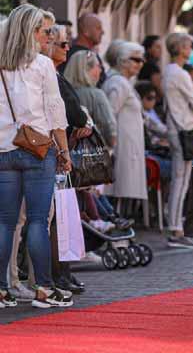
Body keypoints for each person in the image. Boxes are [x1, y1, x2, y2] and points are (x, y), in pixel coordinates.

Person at [0, 4, 73, 309]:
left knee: (5, 223)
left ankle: (2, 290)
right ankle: (43, 288)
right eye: (45, 31)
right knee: (38, 221)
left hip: (4, 151)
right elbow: (55, 113)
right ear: (30, 31)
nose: (49, 36)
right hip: (38, 150)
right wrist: (64, 151)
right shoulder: (42, 65)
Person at [44, 25, 92, 295]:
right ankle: (53, 276)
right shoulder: (47, 74)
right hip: (51, 150)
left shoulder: (57, 75)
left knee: (63, 214)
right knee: (52, 217)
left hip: (60, 149)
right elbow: (72, 112)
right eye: (63, 44)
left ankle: (63, 271)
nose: (67, 48)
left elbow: (76, 110)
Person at [163, 33, 193, 250]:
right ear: (180, 48)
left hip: (177, 129)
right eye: (188, 46)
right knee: (181, 181)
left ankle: (176, 227)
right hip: (183, 130)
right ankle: (176, 229)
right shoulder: (179, 73)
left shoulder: (170, 71)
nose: (190, 50)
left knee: (180, 180)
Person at [102, 41, 148, 207]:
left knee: (123, 189)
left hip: (128, 144)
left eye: (142, 60)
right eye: (136, 60)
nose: (140, 64)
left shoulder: (124, 82)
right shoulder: (118, 83)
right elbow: (109, 114)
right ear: (123, 61)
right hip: (121, 146)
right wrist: (111, 144)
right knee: (118, 188)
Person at [64, 50, 117, 150]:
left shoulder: (63, 93)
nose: (100, 70)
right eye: (98, 66)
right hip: (93, 153)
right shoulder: (96, 95)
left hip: (66, 151)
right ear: (87, 69)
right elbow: (109, 128)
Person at [63, 13, 106, 88]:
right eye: (98, 28)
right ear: (86, 31)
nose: (103, 32)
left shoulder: (91, 53)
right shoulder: (72, 54)